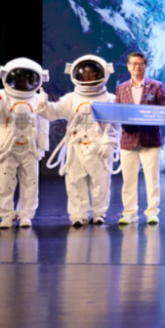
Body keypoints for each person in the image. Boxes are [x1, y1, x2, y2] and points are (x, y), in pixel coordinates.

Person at [43, 55, 121, 227]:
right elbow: (52, 113)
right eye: (84, 74)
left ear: (101, 74)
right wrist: (44, 105)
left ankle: (99, 213)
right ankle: (78, 215)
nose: (87, 77)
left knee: (101, 182)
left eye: (91, 74)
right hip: (75, 146)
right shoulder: (71, 98)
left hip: (100, 146)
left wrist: (109, 142)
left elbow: (114, 124)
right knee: (75, 181)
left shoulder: (109, 98)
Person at [0, 58, 51, 228]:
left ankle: (26, 214)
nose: (23, 82)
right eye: (19, 78)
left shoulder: (38, 98)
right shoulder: (0, 96)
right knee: (3, 183)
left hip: (30, 148)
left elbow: (44, 122)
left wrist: (43, 145)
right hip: (5, 148)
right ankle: (6, 215)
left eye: (27, 78)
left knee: (31, 183)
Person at [115, 52, 165, 225]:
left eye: (140, 63)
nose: (136, 66)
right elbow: (116, 112)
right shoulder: (121, 88)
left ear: (145, 66)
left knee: (152, 179)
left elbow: (164, 106)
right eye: (133, 63)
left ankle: (152, 213)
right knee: (128, 180)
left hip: (150, 139)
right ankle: (129, 213)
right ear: (128, 66)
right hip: (128, 139)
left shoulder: (156, 86)